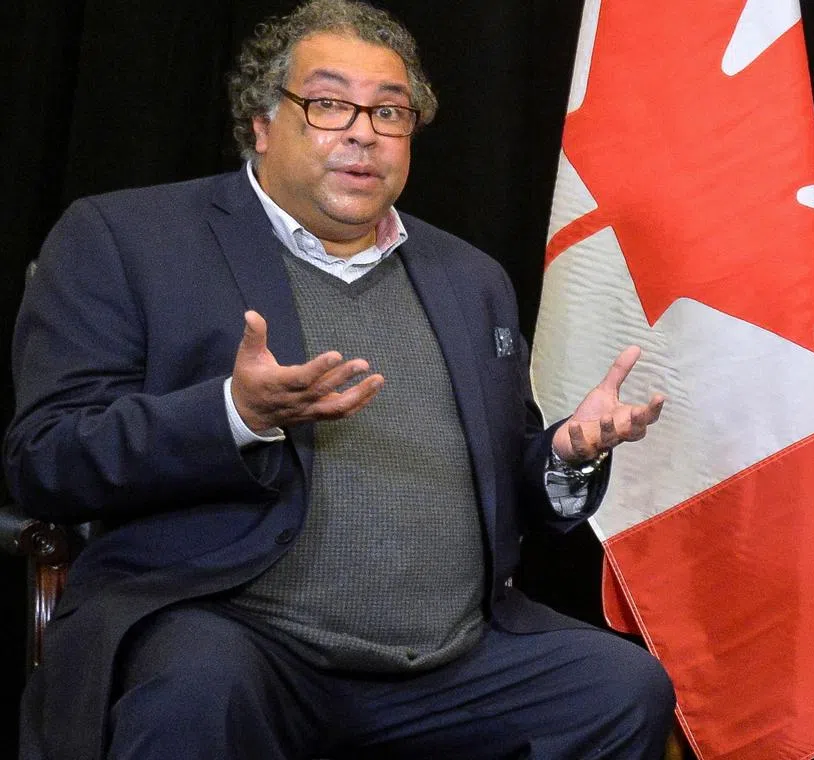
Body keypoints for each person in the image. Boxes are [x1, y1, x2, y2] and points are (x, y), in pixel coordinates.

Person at [3, 1, 675, 758]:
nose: (363, 131)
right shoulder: (126, 240)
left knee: (620, 689)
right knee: (197, 688)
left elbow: (506, 473)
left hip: (452, 660)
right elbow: (46, 458)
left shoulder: (470, 277)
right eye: (328, 104)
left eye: (390, 111)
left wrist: (564, 455)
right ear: (261, 124)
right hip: (235, 633)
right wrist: (234, 414)